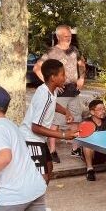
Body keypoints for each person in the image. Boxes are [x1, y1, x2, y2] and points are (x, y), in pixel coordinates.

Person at [17, 59, 78, 211]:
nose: (64, 77)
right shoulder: (43, 95)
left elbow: (53, 104)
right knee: (39, 181)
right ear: (53, 77)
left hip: (38, 140)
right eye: (62, 74)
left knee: (48, 171)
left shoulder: (50, 91)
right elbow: (36, 127)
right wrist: (63, 135)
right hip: (31, 140)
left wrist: (65, 112)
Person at [32, 25, 86, 163]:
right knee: (55, 122)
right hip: (60, 93)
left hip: (74, 91)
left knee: (76, 119)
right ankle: (52, 150)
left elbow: (82, 64)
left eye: (69, 36)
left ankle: (75, 149)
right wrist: (51, 83)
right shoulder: (51, 52)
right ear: (58, 37)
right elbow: (36, 68)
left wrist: (81, 78)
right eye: (65, 36)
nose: (68, 38)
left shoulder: (74, 50)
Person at [81, 99, 106, 181]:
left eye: (104, 109)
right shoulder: (86, 122)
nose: (103, 111)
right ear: (92, 112)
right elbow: (81, 138)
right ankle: (90, 170)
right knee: (87, 144)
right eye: (100, 109)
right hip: (92, 155)